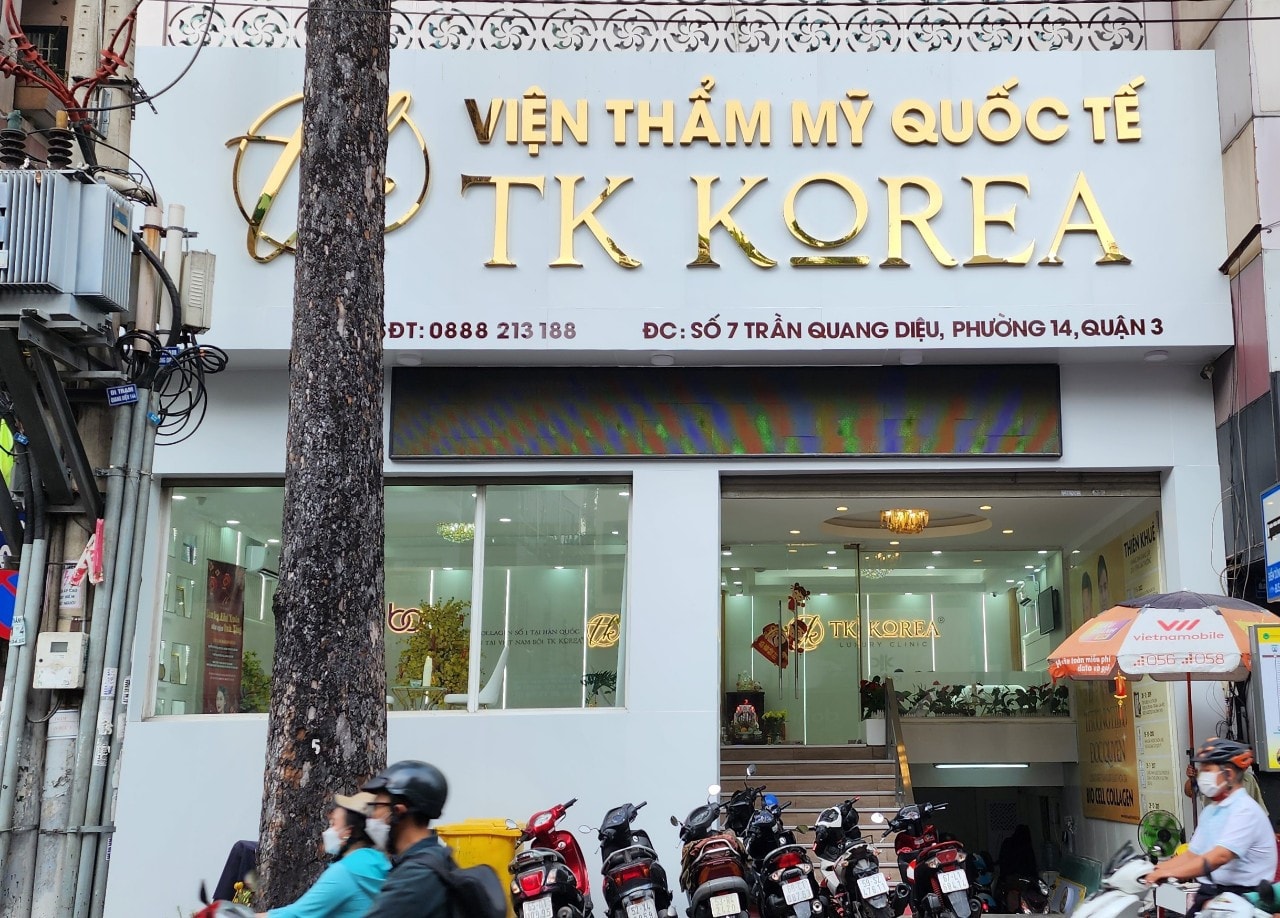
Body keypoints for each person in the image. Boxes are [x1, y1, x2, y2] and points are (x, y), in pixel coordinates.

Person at [1145, 738, 1277, 913]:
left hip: (1244, 900)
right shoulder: (1211, 810)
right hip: (1216, 895)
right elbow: (1193, 854)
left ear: (1229, 774)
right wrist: (1154, 870)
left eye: (1207, 770)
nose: (1202, 775)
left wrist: (1170, 873)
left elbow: (1219, 857)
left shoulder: (1245, 810)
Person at [256, 791, 389, 918]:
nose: (327, 831)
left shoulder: (345, 872)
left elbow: (297, 915)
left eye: (333, 824)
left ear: (348, 832)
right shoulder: (382, 864)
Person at [362, 760, 451, 918]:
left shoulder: (416, 876)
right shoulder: (438, 859)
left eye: (376, 807)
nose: (372, 816)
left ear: (398, 811)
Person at [997, 824, 1038, 912]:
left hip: (1010, 878)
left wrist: (1004, 876)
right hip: (1024, 879)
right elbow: (1032, 864)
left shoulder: (1008, 842)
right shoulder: (1026, 845)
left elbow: (1002, 860)